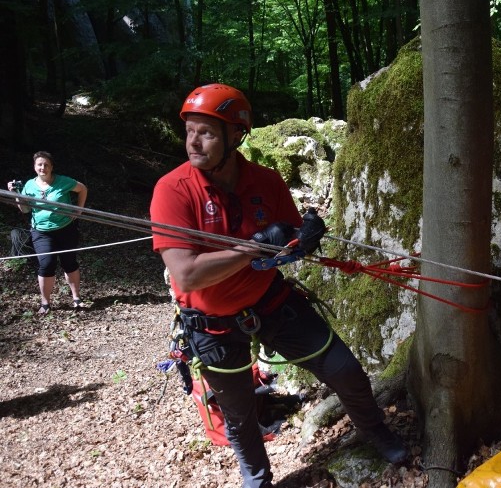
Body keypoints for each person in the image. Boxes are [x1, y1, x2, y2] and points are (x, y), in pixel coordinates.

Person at [149, 83, 405, 488]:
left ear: (237, 136)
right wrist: (252, 248)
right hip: (212, 323)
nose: (193, 142)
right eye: (190, 131)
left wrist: (302, 241)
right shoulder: (173, 191)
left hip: (269, 301)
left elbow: (280, 249)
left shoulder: (265, 182)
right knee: (239, 413)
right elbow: (187, 274)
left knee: (346, 371)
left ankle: (376, 431)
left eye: (207, 133)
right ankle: (257, 477)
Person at [7, 151, 88, 314]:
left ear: (51, 167)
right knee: (46, 264)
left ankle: (76, 298)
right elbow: (24, 209)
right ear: (35, 166)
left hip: (66, 229)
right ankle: (45, 303)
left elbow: (82, 189)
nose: (42, 167)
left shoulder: (63, 181)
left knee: (69, 263)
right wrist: (16, 194)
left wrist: (78, 211)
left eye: (46, 165)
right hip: (41, 231)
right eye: (39, 164)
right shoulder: (29, 185)